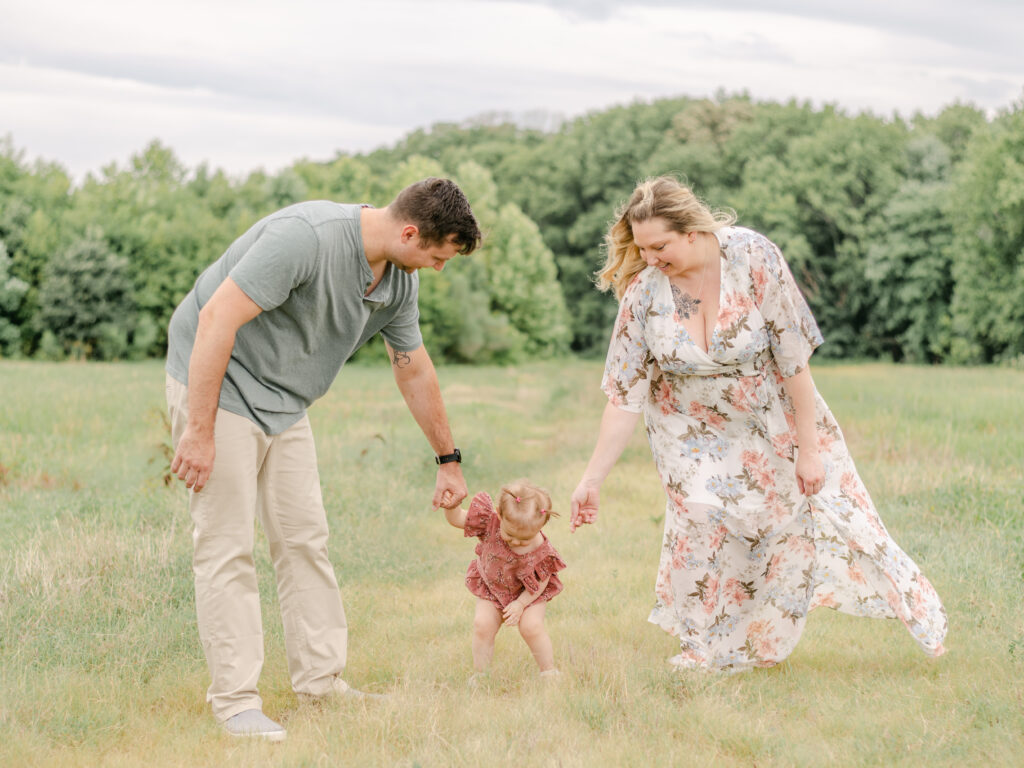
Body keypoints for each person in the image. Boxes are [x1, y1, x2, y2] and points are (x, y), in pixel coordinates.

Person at [570, 176, 947, 672]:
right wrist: (592, 479)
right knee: (700, 523)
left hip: (768, 418)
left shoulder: (752, 257)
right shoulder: (643, 294)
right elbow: (624, 396)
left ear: (692, 231)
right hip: (688, 431)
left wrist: (809, 449)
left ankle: (881, 618)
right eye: (642, 249)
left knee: (797, 523)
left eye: (659, 246)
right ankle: (701, 649)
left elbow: (793, 360)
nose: (650, 258)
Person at [164, 177, 481, 740]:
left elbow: (412, 367)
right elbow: (215, 319)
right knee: (226, 546)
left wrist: (447, 459)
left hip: (286, 401)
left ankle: (320, 681)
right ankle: (237, 703)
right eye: (436, 256)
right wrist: (199, 429)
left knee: (304, 537)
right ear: (409, 232)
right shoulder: (305, 237)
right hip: (221, 385)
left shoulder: (397, 284)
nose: (437, 268)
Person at [442, 480, 566, 680]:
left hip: (529, 593)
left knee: (531, 627)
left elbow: (542, 579)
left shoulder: (540, 548)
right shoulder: (489, 521)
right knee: (482, 625)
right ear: (499, 514)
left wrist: (521, 603)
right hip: (493, 587)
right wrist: (451, 507)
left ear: (542, 524)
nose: (516, 542)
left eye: (524, 539)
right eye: (509, 535)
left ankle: (548, 671)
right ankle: (481, 675)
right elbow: (458, 519)